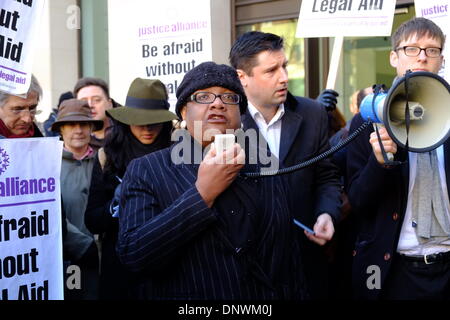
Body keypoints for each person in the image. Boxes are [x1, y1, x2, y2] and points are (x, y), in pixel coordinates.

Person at [117, 62, 306, 300]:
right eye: (204, 96)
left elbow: (290, 259)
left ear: (240, 114)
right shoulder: (147, 170)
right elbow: (134, 254)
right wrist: (201, 195)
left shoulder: (267, 166)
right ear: (184, 112)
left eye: (229, 98)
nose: (218, 103)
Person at [229, 31, 342, 299]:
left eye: (284, 66)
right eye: (271, 70)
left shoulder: (313, 113)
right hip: (248, 270)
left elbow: (326, 176)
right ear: (241, 78)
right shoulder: (225, 122)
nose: (283, 77)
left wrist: (327, 213)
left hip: (305, 263)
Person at [347, 17, 449, 300]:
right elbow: (358, 200)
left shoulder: (448, 114)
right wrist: (378, 163)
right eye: (412, 49)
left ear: (441, 59)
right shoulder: (369, 120)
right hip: (394, 270)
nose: (422, 57)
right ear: (394, 57)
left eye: (432, 50)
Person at [84, 78, 177, 300]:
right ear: (126, 121)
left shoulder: (180, 154)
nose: (146, 128)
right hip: (120, 270)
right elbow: (92, 219)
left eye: (153, 121)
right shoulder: (107, 156)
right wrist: (116, 206)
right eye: (139, 120)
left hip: (169, 265)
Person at [51, 99, 104, 300]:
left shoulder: (104, 160)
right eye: (72, 124)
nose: (78, 130)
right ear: (61, 129)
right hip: (65, 256)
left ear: (91, 127)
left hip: (101, 256)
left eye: (83, 124)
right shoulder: (49, 164)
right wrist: (81, 244)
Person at [73, 77, 114, 149]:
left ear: (109, 104)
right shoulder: (69, 141)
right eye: (83, 101)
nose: (90, 105)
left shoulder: (127, 132)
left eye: (96, 100)